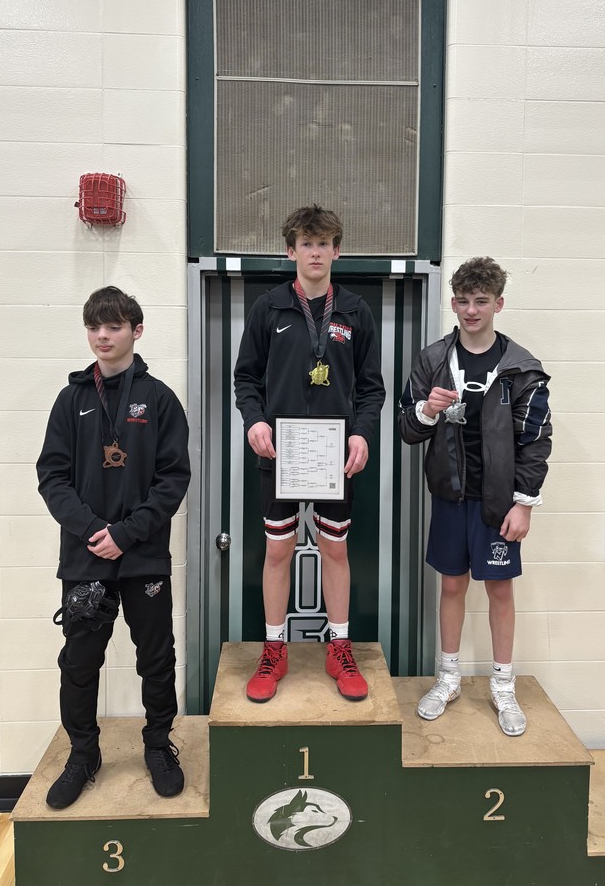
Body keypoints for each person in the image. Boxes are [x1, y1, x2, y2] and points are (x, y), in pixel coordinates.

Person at [37, 286, 190, 808]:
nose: (103, 336)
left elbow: (173, 479)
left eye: (114, 326)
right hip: (85, 560)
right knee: (80, 663)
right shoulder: (71, 399)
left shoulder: (162, 398)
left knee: (156, 658)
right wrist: (91, 532)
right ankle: (83, 754)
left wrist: (124, 533)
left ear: (136, 331)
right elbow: (52, 476)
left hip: (143, 556)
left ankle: (157, 745)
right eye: (94, 327)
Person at [234, 206, 385, 703]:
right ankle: (273, 648)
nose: (315, 252)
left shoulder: (356, 311)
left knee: (335, 548)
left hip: (334, 458)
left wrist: (362, 433)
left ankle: (339, 646)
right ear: (291, 251)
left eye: (324, 244)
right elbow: (246, 378)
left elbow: (371, 388)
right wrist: (254, 420)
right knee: (278, 549)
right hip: (280, 454)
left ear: (337, 251)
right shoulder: (268, 308)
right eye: (306, 243)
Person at [398, 258, 551, 735]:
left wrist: (524, 503)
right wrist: (426, 410)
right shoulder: (433, 360)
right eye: (463, 301)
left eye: (481, 301)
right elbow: (406, 429)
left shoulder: (522, 368)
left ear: (498, 304)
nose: (471, 310)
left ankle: (503, 687)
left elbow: (536, 440)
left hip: (499, 501)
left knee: (500, 589)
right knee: (450, 586)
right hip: (450, 495)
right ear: (453, 303)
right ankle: (449, 678)